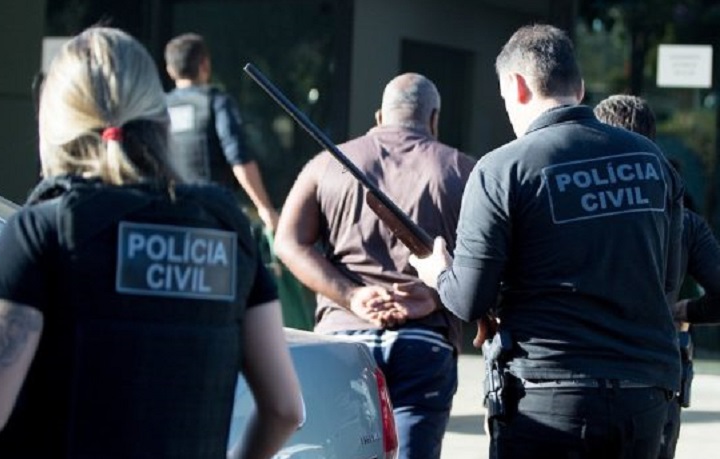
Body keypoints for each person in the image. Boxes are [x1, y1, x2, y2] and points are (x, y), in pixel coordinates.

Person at [0, 27, 302, 458]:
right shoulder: (224, 229)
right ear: (158, 117)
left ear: (55, 121)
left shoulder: (42, 231)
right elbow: (285, 409)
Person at [410, 24, 683, 459]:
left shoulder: (502, 168)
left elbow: (468, 300)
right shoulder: (652, 160)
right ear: (580, 87)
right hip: (644, 400)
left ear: (517, 86)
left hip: (548, 402)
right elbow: (667, 281)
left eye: (504, 98)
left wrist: (438, 272)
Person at [274, 72, 475, 459]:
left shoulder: (326, 164)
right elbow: (489, 258)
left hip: (342, 344)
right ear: (433, 119)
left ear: (380, 117)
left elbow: (288, 242)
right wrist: (437, 293)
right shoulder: (462, 170)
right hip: (424, 342)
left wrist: (351, 296)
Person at [595, 93, 720, 459]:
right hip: (654, 381)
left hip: (580, 377)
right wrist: (682, 310)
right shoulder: (684, 218)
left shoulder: (576, 209)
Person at [164, 33, 279, 232]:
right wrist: (265, 208)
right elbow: (238, 157)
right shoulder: (216, 102)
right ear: (205, 64)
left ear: (170, 70)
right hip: (213, 215)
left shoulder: (160, 107)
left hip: (171, 215)